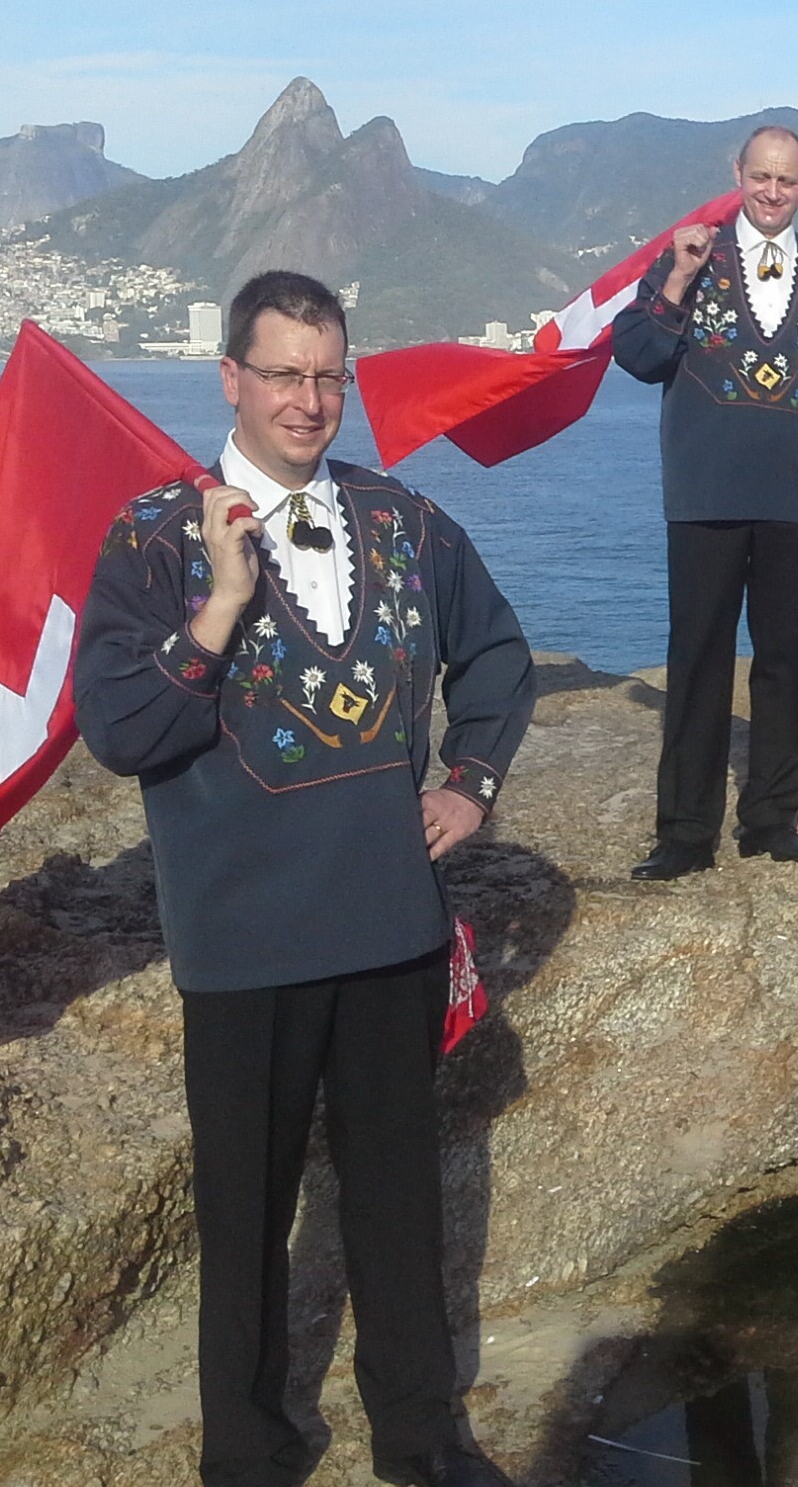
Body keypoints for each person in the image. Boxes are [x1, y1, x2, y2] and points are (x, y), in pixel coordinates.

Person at [75, 270, 535, 1487]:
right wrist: (220, 608)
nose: (309, 400)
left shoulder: (408, 522)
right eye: (283, 373)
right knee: (246, 1223)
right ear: (230, 377)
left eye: (330, 376)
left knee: (397, 1202)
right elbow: (121, 731)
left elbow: (494, 654)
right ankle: (251, 1453)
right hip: (241, 941)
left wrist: (470, 784)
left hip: (389, 924)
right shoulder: (155, 537)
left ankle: (421, 1438)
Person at [610, 124, 798, 879]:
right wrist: (675, 280)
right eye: (759, 177)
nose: (770, 191)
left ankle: (771, 820)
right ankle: (685, 833)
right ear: (738, 173)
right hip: (704, 495)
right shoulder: (690, 256)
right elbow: (637, 354)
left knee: (787, 664)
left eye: (785, 180)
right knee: (698, 662)